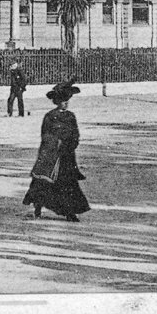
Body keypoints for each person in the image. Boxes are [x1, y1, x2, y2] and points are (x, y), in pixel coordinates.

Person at [23, 84, 90, 221]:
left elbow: (75, 134)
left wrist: (71, 143)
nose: (65, 104)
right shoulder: (50, 116)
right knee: (43, 182)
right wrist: (55, 143)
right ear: (57, 102)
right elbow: (45, 134)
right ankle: (38, 207)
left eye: (67, 101)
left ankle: (70, 212)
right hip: (51, 155)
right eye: (63, 101)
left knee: (68, 184)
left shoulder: (71, 116)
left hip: (67, 155)